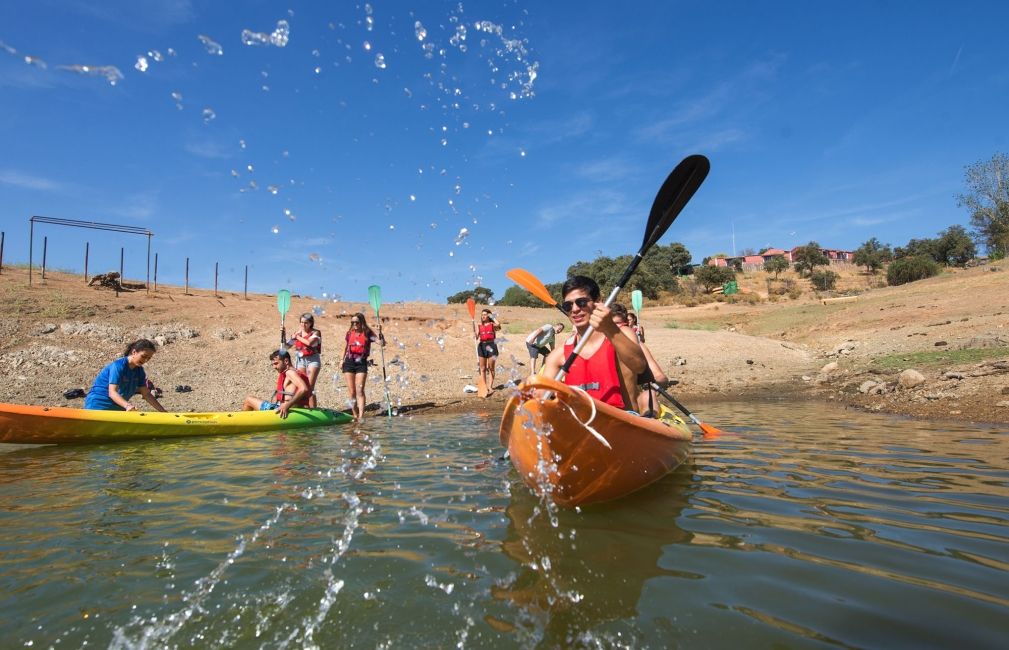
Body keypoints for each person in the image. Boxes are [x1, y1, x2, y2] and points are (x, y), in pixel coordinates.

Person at [541, 276, 646, 410]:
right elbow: (541, 396)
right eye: (568, 305)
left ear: (598, 301)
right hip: (580, 426)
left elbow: (639, 366)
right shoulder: (558, 355)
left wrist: (610, 328)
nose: (574, 309)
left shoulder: (622, 334)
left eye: (582, 302)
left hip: (623, 422)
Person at [612, 303, 668, 416]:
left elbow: (660, 377)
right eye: (611, 325)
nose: (614, 329)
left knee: (649, 395)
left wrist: (650, 386)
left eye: (618, 324)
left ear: (627, 325)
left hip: (631, 406)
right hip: (606, 404)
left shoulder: (638, 346)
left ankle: (650, 418)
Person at [85, 339, 168, 412]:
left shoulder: (139, 371)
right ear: (134, 352)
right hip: (98, 406)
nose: (145, 360)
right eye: (144, 356)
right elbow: (112, 392)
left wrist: (163, 412)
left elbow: (146, 394)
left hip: (118, 409)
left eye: (148, 358)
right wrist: (128, 405)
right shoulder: (118, 366)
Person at [242, 349, 311, 418]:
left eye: (276, 363)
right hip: (292, 409)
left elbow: (304, 389)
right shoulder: (295, 372)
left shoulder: (290, 373)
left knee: (248, 400)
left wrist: (287, 405)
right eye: (273, 364)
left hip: (285, 411)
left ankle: (243, 424)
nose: (274, 367)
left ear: (286, 361)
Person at [342, 312, 384, 420]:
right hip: (349, 362)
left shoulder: (368, 333)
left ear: (362, 322)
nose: (354, 324)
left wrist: (380, 332)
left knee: (360, 390)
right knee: (352, 391)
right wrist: (341, 360)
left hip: (361, 363)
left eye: (356, 322)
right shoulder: (349, 333)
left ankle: (361, 416)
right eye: (352, 322)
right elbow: (346, 347)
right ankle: (354, 414)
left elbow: (382, 343)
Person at [289, 312, 322, 407]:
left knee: (310, 388)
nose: (303, 325)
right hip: (300, 361)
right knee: (302, 387)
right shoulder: (297, 333)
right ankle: (304, 407)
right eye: (302, 322)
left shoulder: (316, 332)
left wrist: (297, 337)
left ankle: (314, 410)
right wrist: (283, 334)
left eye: (306, 322)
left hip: (312, 360)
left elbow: (309, 343)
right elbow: (287, 346)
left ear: (311, 323)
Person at [476, 308, 502, 394]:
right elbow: (476, 336)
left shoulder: (492, 324)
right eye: (482, 315)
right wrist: (474, 334)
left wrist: (492, 316)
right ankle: (484, 386)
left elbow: (498, 324)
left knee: (491, 368)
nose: (483, 316)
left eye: (485, 314)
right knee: (482, 368)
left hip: (491, 346)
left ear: (488, 316)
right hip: (481, 346)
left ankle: (490, 387)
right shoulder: (479, 325)